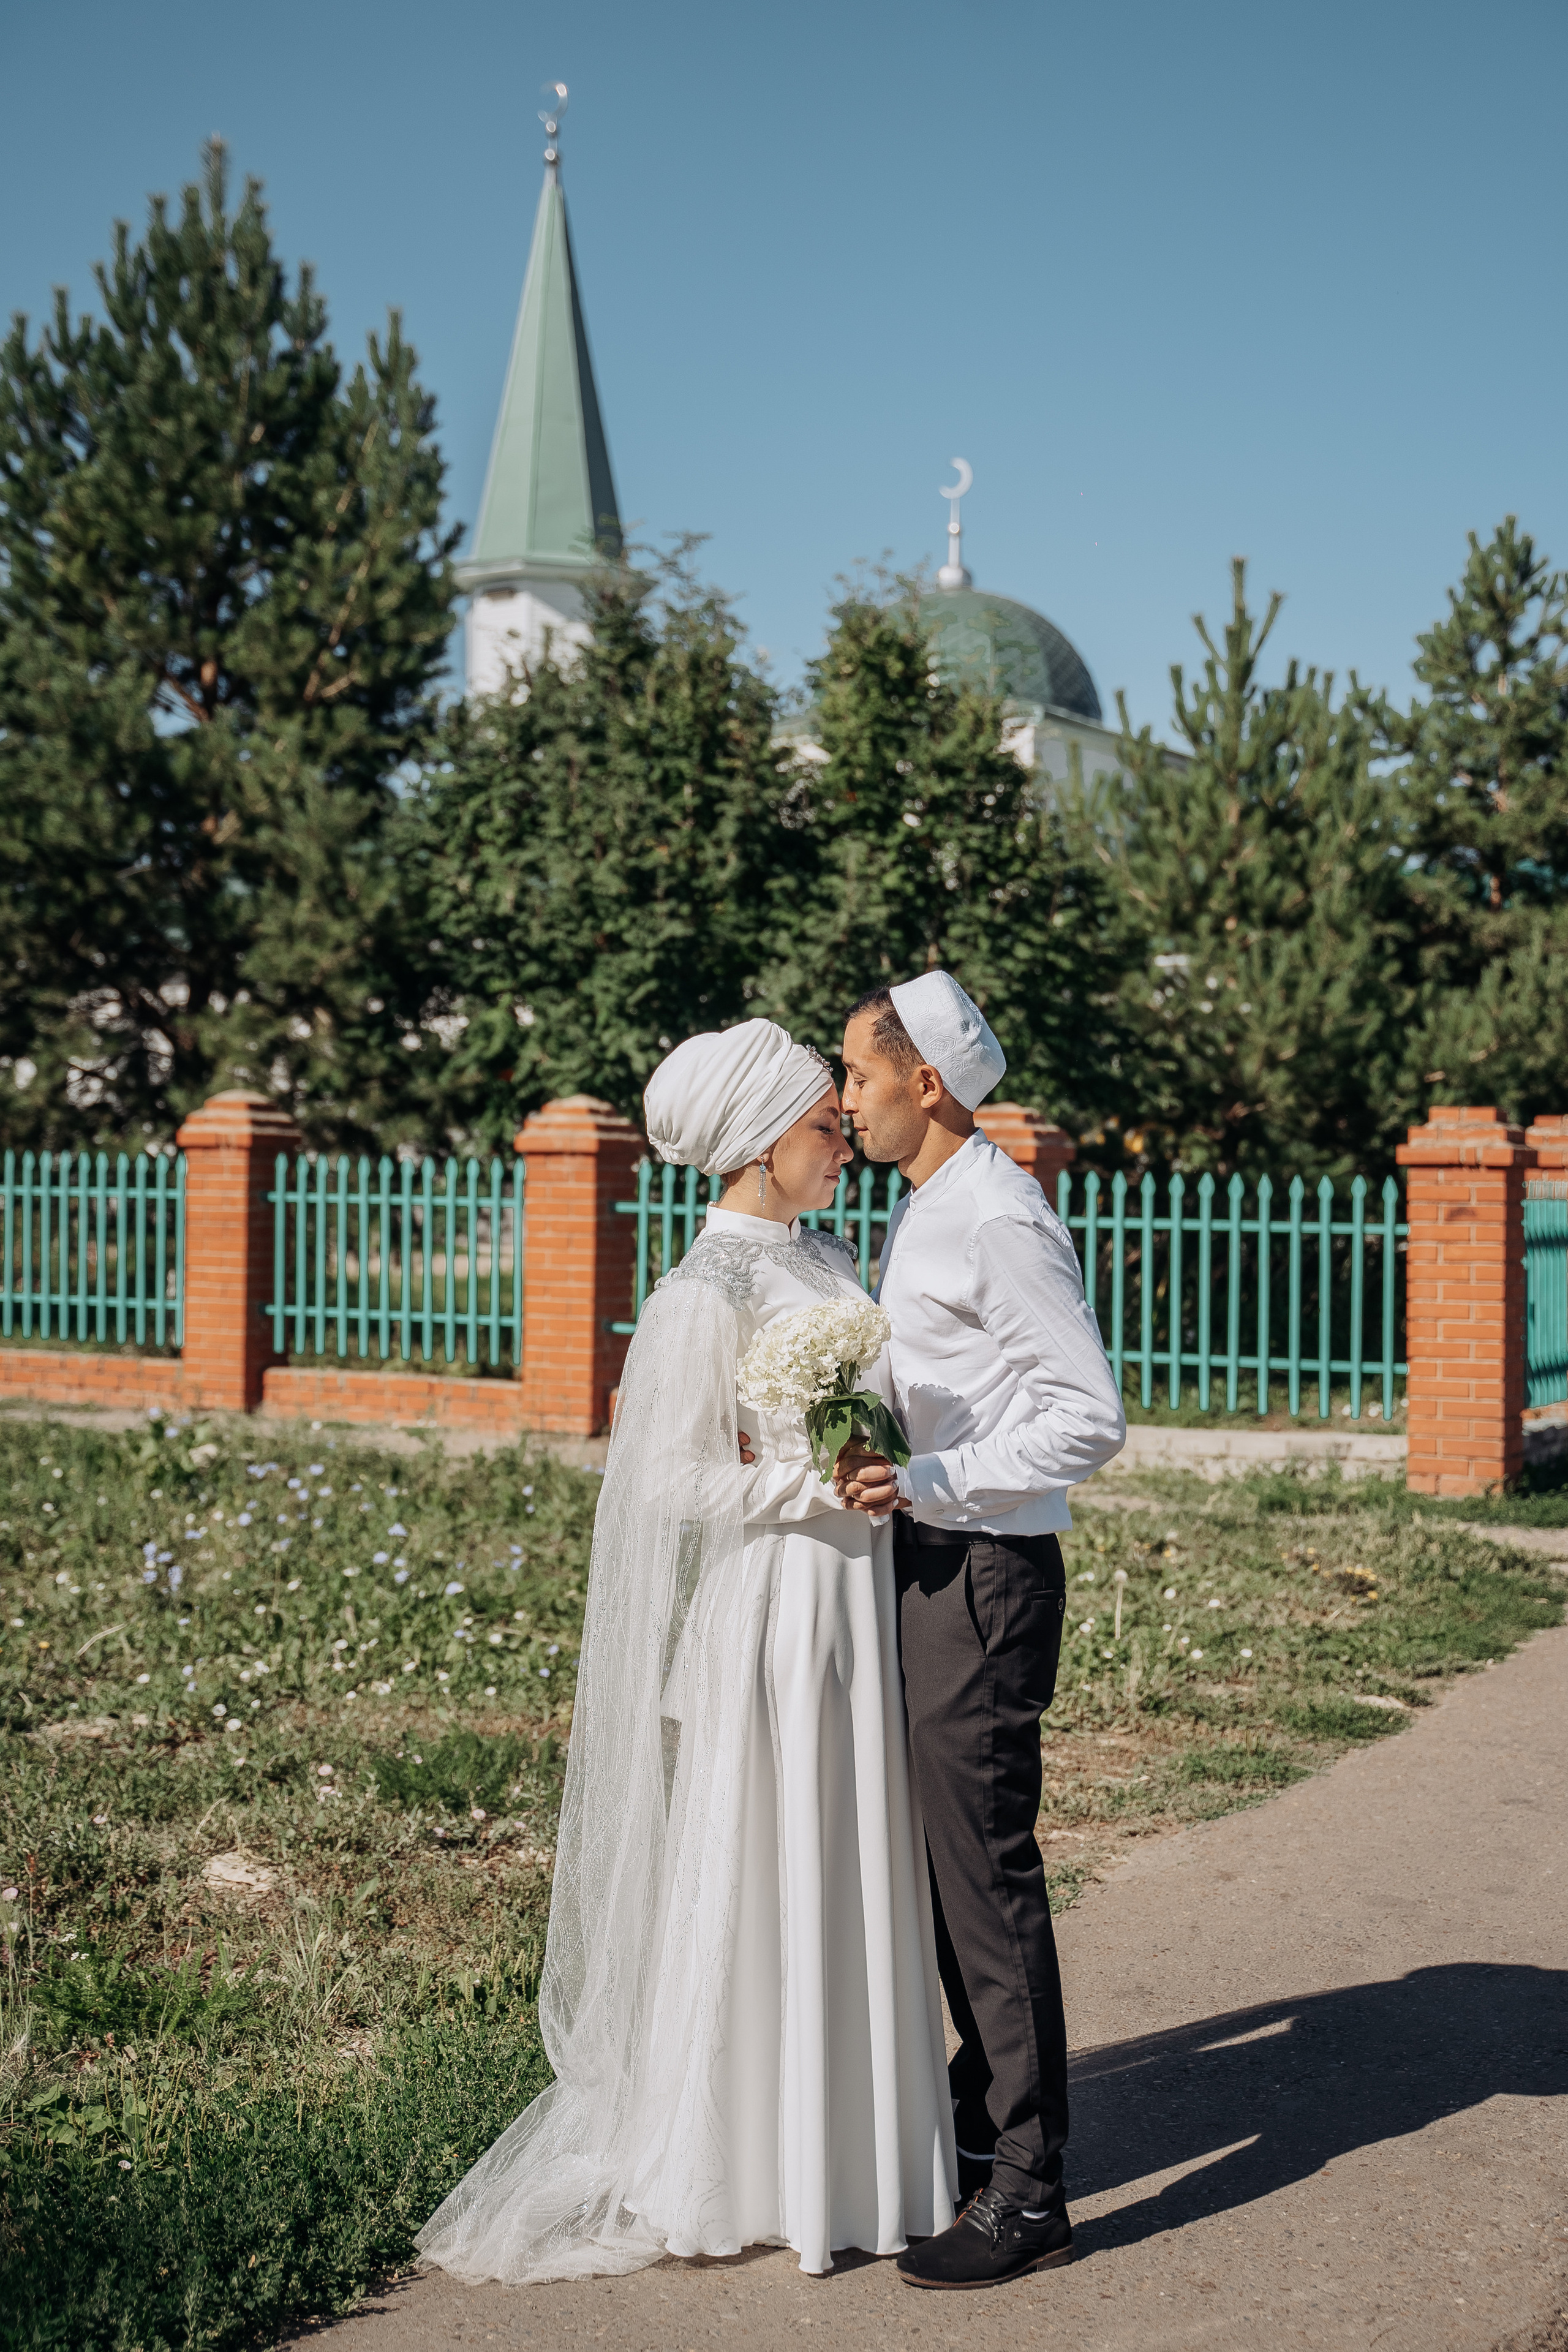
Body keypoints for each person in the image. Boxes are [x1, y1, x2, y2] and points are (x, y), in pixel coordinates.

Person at [415, 1018, 955, 2285]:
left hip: (855, 1596)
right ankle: (747, 2165)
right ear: (762, 1146)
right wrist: (808, 1485)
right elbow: (665, 1481)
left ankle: (858, 2156)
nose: (843, 1144)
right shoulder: (701, 1295)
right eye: (822, 1128)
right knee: (767, 1867)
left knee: (849, 1864)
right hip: (775, 1609)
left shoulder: (824, 1255)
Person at [834, 972, 1126, 2291]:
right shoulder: (927, 1203)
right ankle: (974, 2118)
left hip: (987, 1579)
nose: (845, 1100)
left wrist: (929, 1481)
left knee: (986, 1880)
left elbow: (1087, 1417)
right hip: (931, 1559)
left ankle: (1028, 2190)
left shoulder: (998, 1216)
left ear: (926, 1082)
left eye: (858, 1075)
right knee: (944, 1872)